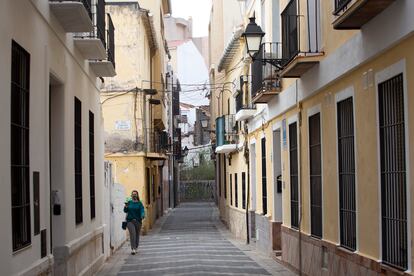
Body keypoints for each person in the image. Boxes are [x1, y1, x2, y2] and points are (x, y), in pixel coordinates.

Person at [124, 190, 145, 255]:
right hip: (130, 221)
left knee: (137, 235)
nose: (134, 195)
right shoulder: (129, 202)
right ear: (131, 195)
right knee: (132, 234)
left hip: (138, 221)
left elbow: (142, 210)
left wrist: (142, 215)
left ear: (137, 195)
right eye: (133, 194)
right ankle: (133, 248)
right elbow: (125, 210)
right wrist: (126, 206)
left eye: (135, 194)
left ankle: (136, 247)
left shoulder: (139, 203)